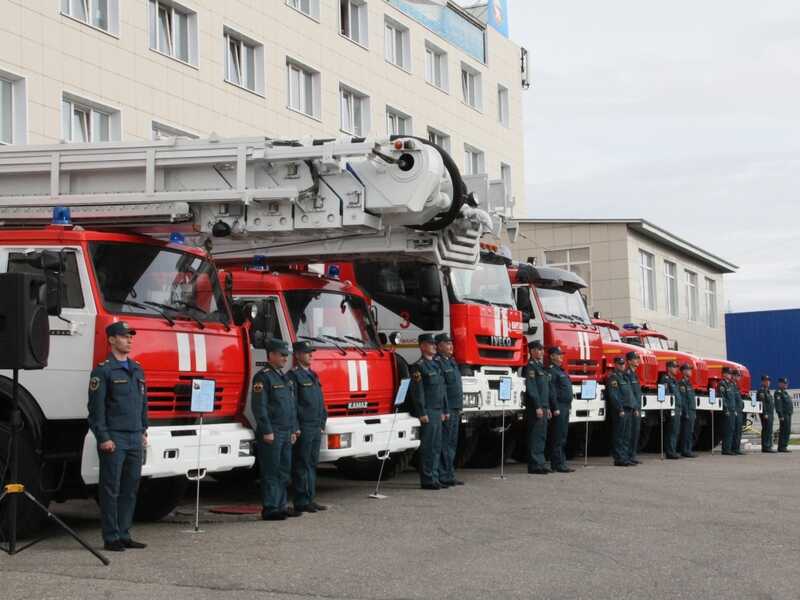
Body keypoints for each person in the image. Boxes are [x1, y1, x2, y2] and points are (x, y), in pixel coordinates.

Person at [87, 321, 148, 552]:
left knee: (130, 488)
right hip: (115, 438)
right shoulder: (103, 371)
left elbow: (143, 402)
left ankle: (124, 533)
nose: (129, 340)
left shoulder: (137, 369)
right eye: (124, 336)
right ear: (111, 340)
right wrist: (103, 437)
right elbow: (95, 410)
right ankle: (111, 536)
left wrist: (144, 429)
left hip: (134, 437)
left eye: (131, 336)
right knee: (111, 488)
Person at [252, 338, 300, 520]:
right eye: (282, 355)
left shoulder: (284, 378)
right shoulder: (263, 377)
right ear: (271, 355)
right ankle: (271, 508)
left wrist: (294, 429)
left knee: (284, 470)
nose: (285, 358)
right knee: (271, 472)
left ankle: (281, 505)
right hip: (272, 432)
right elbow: (259, 406)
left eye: (286, 355)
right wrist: (266, 430)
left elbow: (291, 406)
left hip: (286, 431)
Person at [289, 341, 328, 513]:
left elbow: (321, 401)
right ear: (297, 355)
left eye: (311, 352)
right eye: (306, 353)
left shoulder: (313, 375)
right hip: (304, 426)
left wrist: (322, 423)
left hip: (315, 426)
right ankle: (301, 500)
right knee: (302, 464)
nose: (310, 355)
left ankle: (310, 498)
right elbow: (292, 405)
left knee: (312, 463)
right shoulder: (293, 376)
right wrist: (296, 427)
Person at [409, 333, 448, 490]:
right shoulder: (419, 366)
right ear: (423, 346)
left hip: (438, 410)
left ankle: (435, 476)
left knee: (437, 446)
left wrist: (445, 409)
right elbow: (418, 392)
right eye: (430, 344)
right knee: (428, 446)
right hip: (429, 411)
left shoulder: (436, 365)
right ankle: (427, 479)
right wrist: (422, 412)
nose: (434, 346)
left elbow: (442, 389)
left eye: (434, 344)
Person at [435, 333, 464, 486]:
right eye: (447, 344)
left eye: (451, 343)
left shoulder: (452, 362)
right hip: (447, 409)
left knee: (452, 443)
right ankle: (442, 475)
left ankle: (449, 473)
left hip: (455, 408)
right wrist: (444, 409)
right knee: (444, 443)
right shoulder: (438, 363)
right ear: (439, 346)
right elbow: (442, 390)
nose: (451, 346)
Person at [524, 341, 553, 474]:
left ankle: (540, 463)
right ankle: (534, 465)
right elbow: (532, 389)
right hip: (536, 407)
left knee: (542, 436)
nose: (541, 352)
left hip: (544, 406)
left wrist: (547, 407)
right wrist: (538, 406)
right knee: (535, 436)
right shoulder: (530, 367)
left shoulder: (540, 367)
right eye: (539, 349)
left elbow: (545, 389)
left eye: (542, 349)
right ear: (532, 351)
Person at [548, 347, 575, 473]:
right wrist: (555, 407)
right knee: (558, 436)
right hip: (559, 406)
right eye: (558, 355)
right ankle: (557, 463)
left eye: (561, 355)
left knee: (563, 436)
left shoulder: (561, 371)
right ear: (552, 356)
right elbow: (552, 391)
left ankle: (561, 462)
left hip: (565, 406)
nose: (561, 357)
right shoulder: (552, 371)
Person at [607, 356, 634, 466]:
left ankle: (625, 456)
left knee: (626, 435)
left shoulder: (625, 377)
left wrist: (633, 407)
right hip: (621, 410)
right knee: (619, 435)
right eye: (620, 364)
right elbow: (614, 395)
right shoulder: (613, 378)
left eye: (623, 364)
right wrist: (620, 408)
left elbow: (630, 394)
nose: (622, 366)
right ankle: (619, 458)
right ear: (615, 365)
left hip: (628, 409)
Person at [625, 351, 643, 465]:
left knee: (635, 432)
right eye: (635, 359)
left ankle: (632, 455)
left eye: (638, 358)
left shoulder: (635, 374)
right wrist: (635, 408)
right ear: (629, 361)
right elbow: (630, 393)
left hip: (637, 407)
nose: (638, 361)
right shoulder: (627, 374)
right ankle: (627, 456)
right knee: (629, 433)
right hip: (632, 408)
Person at [663, 361, 683, 459]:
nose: (676, 369)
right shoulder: (665, 380)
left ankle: (673, 450)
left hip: (677, 407)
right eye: (674, 367)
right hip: (672, 408)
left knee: (676, 431)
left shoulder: (674, 380)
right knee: (671, 431)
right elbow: (665, 395)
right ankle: (670, 452)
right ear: (669, 368)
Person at [678, 363, 698, 458]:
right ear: (684, 371)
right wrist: (685, 412)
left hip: (692, 410)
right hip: (687, 411)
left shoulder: (689, 383)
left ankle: (688, 449)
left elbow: (691, 398)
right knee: (686, 432)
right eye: (689, 369)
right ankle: (685, 450)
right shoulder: (682, 383)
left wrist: (694, 411)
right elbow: (683, 399)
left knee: (690, 431)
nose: (690, 371)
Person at [718, 367, 738, 455]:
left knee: (731, 429)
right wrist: (726, 409)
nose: (730, 376)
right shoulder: (722, 385)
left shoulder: (730, 385)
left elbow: (733, 399)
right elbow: (723, 398)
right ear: (724, 374)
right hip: (728, 411)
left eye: (730, 374)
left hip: (732, 410)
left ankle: (729, 448)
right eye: (729, 374)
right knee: (727, 430)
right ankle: (726, 449)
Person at [757, 375, 776, 453]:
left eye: (768, 381)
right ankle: (765, 446)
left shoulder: (767, 391)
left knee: (769, 430)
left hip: (770, 413)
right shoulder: (761, 391)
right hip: (766, 413)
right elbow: (762, 403)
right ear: (762, 382)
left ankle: (768, 446)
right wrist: (765, 413)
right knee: (766, 430)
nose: (768, 382)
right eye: (766, 381)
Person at [775, 377, 793, 453]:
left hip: (788, 414)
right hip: (784, 415)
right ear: (780, 384)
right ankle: (781, 447)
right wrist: (780, 415)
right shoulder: (778, 392)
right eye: (784, 383)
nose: (785, 385)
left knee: (787, 430)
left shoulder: (785, 393)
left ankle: (784, 446)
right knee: (784, 430)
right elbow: (778, 405)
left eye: (786, 383)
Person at [731, 370, 745, 455]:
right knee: (734, 430)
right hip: (735, 411)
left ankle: (737, 448)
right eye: (738, 376)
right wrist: (735, 410)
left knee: (738, 431)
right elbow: (732, 400)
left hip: (739, 410)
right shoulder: (731, 385)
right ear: (734, 376)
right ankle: (733, 448)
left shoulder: (736, 386)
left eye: (740, 376)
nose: (739, 378)